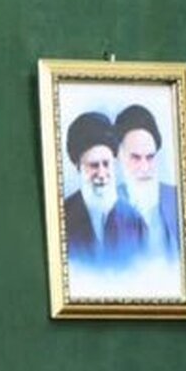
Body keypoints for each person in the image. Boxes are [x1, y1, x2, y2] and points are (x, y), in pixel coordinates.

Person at [61, 112, 145, 267]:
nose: (101, 174)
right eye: (93, 165)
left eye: (106, 164)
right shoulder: (62, 217)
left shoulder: (135, 222)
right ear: (78, 166)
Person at [115, 104, 180, 261]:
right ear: (119, 156)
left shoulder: (178, 198)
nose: (145, 167)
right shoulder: (105, 206)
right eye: (135, 158)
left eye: (150, 157)